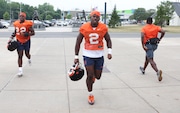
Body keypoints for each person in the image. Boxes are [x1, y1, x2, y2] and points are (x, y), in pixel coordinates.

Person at [74, 10, 112, 105]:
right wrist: (76, 56)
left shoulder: (103, 27)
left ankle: (93, 78)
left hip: (99, 55)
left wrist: (109, 51)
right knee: (90, 75)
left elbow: (108, 40)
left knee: (98, 76)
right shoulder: (84, 27)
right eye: (93, 16)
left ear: (99, 18)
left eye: (97, 17)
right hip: (88, 55)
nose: (95, 18)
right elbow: (78, 42)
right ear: (90, 17)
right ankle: (90, 94)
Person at [9, 12, 35, 77]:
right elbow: (15, 31)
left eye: (22, 16)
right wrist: (11, 38)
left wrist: (27, 34)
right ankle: (20, 70)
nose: (21, 17)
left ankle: (29, 58)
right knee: (20, 55)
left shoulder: (28, 24)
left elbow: (33, 33)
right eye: (20, 16)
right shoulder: (16, 23)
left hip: (26, 41)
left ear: (25, 17)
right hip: (19, 41)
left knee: (27, 54)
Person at [140, 17, 165, 81]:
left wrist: (143, 45)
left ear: (146, 22)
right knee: (147, 57)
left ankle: (157, 72)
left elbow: (142, 36)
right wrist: (159, 39)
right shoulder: (156, 27)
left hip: (148, 45)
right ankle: (143, 69)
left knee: (150, 59)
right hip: (155, 45)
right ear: (152, 21)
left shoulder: (144, 28)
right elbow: (163, 31)